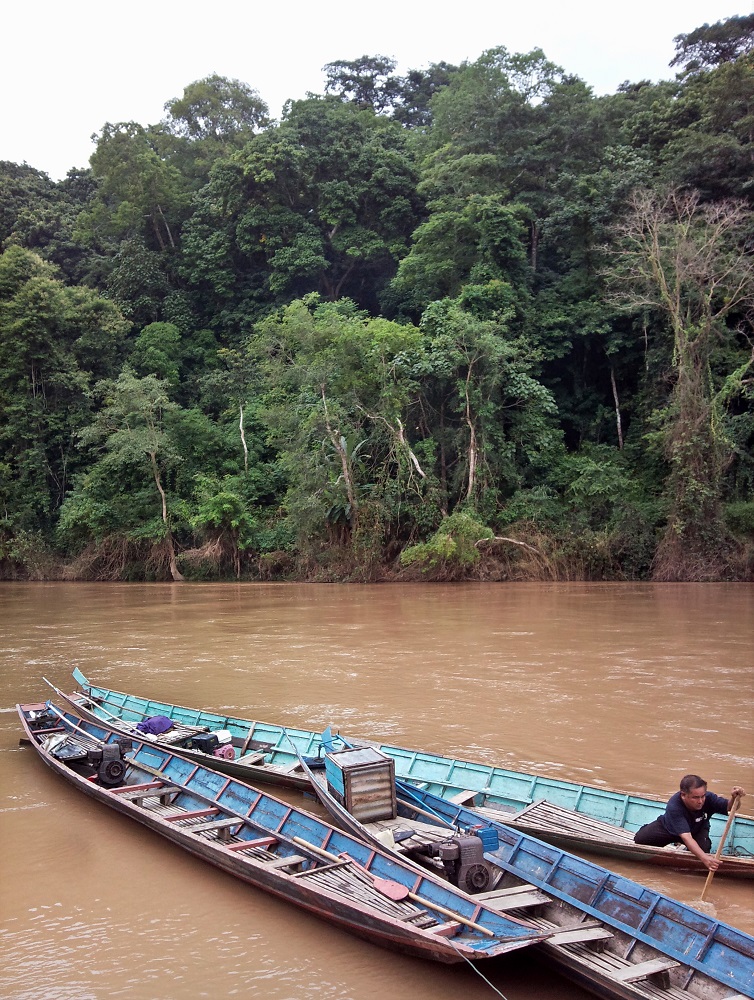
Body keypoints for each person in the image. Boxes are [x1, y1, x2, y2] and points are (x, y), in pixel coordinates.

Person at [633, 774, 745, 871]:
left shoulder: (709, 798)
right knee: (640, 840)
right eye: (695, 798)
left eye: (702, 796)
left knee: (704, 850)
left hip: (697, 829)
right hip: (669, 829)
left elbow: (731, 807)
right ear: (683, 795)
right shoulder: (674, 806)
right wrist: (705, 859)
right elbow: (686, 837)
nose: (700, 801)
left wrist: (735, 799)